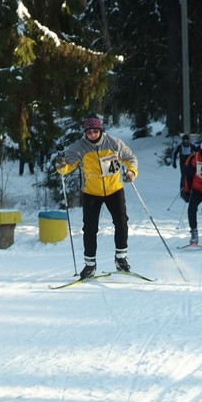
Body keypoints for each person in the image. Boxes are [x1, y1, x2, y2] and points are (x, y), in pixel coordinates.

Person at [55, 114, 138, 279]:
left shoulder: (113, 143)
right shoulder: (80, 147)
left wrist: (131, 172)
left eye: (95, 131)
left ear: (100, 130)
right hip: (92, 192)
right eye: (89, 132)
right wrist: (61, 166)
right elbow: (67, 167)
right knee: (90, 228)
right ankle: (90, 265)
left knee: (121, 222)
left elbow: (130, 158)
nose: (92, 135)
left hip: (114, 190)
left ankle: (121, 258)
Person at [172, 134, 202, 215]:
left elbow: (197, 151)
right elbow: (174, 153)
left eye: (187, 140)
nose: (185, 142)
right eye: (184, 140)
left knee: (190, 177)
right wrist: (174, 163)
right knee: (183, 177)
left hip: (190, 163)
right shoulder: (180, 146)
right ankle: (182, 191)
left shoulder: (191, 146)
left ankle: (189, 190)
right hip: (182, 163)